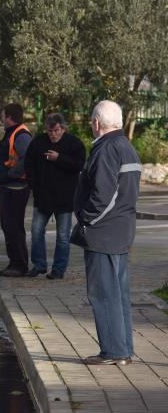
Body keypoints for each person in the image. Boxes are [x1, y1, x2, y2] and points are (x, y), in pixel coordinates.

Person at [72, 100, 141, 366]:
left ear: (97, 123)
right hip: (121, 232)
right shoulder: (127, 148)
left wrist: (87, 220)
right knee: (119, 294)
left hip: (103, 233)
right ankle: (123, 350)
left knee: (103, 294)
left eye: (91, 122)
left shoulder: (106, 149)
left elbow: (104, 196)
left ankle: (113, 351)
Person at [23, 113, 86, 279]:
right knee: (36, 232)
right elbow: (29, 165)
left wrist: (59, 158)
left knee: (63, 237)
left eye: (56, 130)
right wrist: (34, 187)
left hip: (65, 198)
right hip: (43, 196)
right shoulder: (38, 142)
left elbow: (79, 165)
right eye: (49, 131)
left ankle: (58, 270)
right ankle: (39, 265)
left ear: (63, 129)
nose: (53, 134)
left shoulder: (74, 144)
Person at [0, 103, 32, 277]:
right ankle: (14, 263)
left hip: (16, 189)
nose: (1, 118)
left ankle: (19, 265)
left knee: (13, 227)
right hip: (9, 187)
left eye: (3, 115)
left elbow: (27, 158)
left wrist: (11, 174)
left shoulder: (21, 135)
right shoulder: (13, 133)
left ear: (9, 117)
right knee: (8, 226)